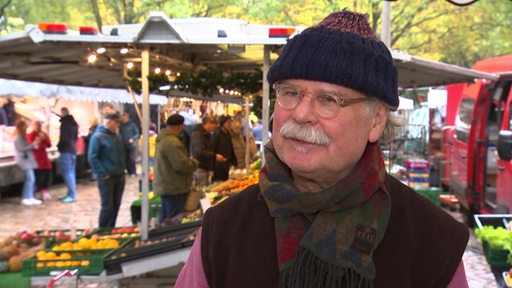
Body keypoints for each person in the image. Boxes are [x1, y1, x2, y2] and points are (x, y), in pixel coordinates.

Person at [175, 10, 469, 287]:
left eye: (328, 99)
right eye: (290, 93)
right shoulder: (223, 229)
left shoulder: (434, 241)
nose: (301, 114)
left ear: (376, 121)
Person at [153, 114, 197, 223]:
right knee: (174, 219)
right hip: (174, 186)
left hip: (168, 185)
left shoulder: (164, 139)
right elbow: (181, 164)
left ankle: (163, 237)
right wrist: (194, 162)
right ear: (180, 126)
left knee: (166, 218)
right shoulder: (172, 142)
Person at [87, 112, 126, 228]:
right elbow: (92, 157)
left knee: (116, 205)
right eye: (117, 123)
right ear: (109, 122)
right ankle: (103, 230)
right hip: (107, 178)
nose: (118, 126)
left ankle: (112, 228)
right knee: (107, 207)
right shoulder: (97, 137)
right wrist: (103, 174)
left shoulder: (117, 136)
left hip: (119, 176)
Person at [13, 119, 42, 206]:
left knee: (30, 179)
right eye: (25, 126)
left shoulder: (22, 136)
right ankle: (26, 197)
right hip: (24, 161)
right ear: (21, 126)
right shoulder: (18, 137)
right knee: (30, 178)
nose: (26, 127)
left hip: (27, 160)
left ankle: (30, 196)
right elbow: (23, 148)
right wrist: (34, 144)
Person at [57, 107, 79, 203]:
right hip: (73, 150)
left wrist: (59, 147)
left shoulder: (64, 124)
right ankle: (71, 193)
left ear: (62, 113)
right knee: (71, 173)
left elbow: (64, 139)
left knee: (67, 173)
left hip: (66, 151)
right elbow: (75, 137)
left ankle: (72, 195)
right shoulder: (74, 124)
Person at [189, 115, 218, 187]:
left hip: (205, 167)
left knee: (205, 187)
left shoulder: (206, 134)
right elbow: (199, 151)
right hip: (200, 167)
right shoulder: (198, 134)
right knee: (201, 189)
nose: (214, 129)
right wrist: (214, 156)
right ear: (208, 123)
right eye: (213, 126)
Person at [27, 120, 52, 201]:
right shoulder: (30, 135)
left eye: (37, 125)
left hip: (44, 157)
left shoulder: (44, 134)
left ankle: (45, 191)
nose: (36, 127)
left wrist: (44, 140)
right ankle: (39, 191)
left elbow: (49, 145)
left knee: (47, 174)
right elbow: (31, 145)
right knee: (38, 176)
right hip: (36, 158)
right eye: (34, 125)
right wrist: (38, 140)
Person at [210, 115, 237, 182]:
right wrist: (211, 168)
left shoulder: (228, 134)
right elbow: (212, 150)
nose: (230, 124)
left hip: (226, 165)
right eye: (228, 122)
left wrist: (233, 162)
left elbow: (231, 149)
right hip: (218, 167)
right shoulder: (217, 134)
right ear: (222, 123)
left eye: (230, 122)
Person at [120, 112, 140, 177]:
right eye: (123, 118)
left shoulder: (132, 125)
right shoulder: (121, 126)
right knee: (125, 159)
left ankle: (133, 172)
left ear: (128, 118)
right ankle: (128, 171)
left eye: (125, 118)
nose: (124, 120)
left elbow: (137, 133)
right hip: (123, 145)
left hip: (132, 145)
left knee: (131, 159)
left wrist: (133, 139)